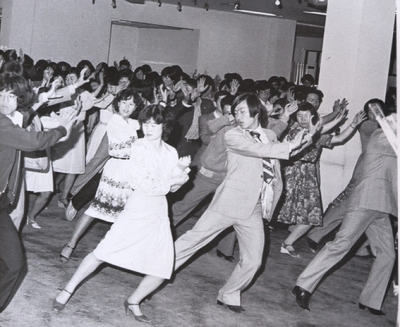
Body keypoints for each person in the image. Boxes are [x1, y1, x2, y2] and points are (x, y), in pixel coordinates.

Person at [132, 93, 312, 314]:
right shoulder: (233, 135)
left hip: (253, 207)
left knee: (254, 260)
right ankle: (152, 277)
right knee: (191, 242)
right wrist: (291, 143)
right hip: (228, 202)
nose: (238, 115)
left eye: (242, 111)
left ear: (256, 112)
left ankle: (229, 294)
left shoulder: (267, 135)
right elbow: (260, 151)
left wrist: (309, 134)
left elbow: (285, 152)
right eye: (235, 112)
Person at [53, 104, 190, 324]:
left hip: (159, 212)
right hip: (137, 207)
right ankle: (68, 289)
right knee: (102, 252)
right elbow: (143, 185)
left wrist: (178, 174)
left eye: (155, 124)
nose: (149, 128)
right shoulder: (138, 147)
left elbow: (174, 188)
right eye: (146, 123)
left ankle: (134, 300)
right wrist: (173, 178)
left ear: (165, 126)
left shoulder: (171, 152)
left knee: (164, 266)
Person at [293, 112, 397, 315]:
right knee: (341, 244)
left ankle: (370, 300)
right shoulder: (381, 136)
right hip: (366, 201)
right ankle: (303, 285)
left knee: (387, 254)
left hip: (382, 205)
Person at [0, 72, 78, 312]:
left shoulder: (11, 117)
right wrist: (63, 130)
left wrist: (42, 100)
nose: (4, 100)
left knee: (14, 265)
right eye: (0, 94)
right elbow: (34, 141)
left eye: (11, 96)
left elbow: (23, 114)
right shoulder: (1, 123)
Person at [59, 88, 143, 263]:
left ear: (135, 107)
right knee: (96, 209)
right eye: (124, 102)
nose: (127, 107)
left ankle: (114, 251)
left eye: (131, 104)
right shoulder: (114, 121)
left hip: (130, 173)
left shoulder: (135, 124)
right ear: (117, 104)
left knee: (123, 214)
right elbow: (118, 149)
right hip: (116, 169)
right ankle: (70, 243)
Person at [277, 102, 367, 257]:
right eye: (299, 115)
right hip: (291, 172)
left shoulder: (316, 133)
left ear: (313, 116)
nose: (303, 118)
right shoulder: (294, 130)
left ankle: (287, 243)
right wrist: (338, 119)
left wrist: (353, 125)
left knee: (312, 215)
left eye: (306, 115)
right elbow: (317, 130)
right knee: (277, 209)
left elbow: (338, 139)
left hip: (308, 174)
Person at [306, 99, 381, 253]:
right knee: (345, 204)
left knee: (377, 209)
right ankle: (315, 234)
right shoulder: (368, 126)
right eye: (370, 111)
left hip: (382, 171)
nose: (374, 114)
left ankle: (364, 247)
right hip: (366, 170)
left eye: (377, 110)